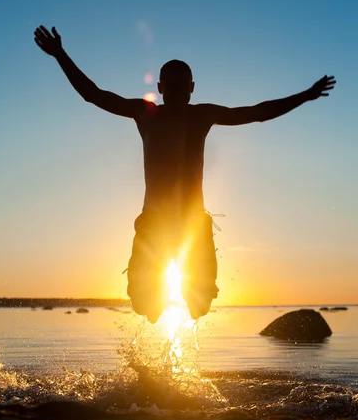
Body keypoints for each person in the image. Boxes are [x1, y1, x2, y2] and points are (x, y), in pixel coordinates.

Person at [34, 25, 336, 323]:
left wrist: (305, 96)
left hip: (192, 224)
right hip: (156, 222)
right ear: (163, 88)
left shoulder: (197, 114)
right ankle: (155, 301)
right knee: (145, 308)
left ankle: (179, 299)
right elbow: (93, 95)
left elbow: (257, 112)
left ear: (189, 88)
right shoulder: (150, 112)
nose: (178, 90)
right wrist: (60, 55)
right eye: (173, 85)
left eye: (182, 85)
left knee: (199, 307)